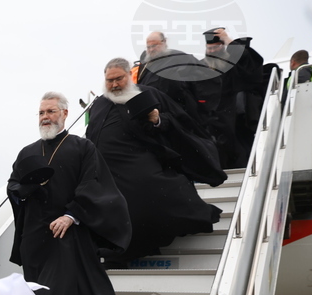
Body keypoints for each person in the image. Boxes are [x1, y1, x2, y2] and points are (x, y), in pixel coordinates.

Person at [2, 91, 131, 295]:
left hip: (67, 231)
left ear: (64, 114)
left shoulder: (82, 148)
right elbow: (12, 186)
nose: (45, 117)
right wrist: (24, 189)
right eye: (41, 113)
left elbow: (93, 186)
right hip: (35, 235)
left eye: (50, 112)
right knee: (38, 291)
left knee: (61, 292)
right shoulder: (27, 152)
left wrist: (71, 215)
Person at [86, 58, 224, 267]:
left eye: (119, 79)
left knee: (152, 200)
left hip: (138, 165)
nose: (114, 84)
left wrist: (157, 119)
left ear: (129, 76)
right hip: (106, 173)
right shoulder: (99, 104)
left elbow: (178, 121)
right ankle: (120, 253)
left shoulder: (146, 93)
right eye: (109, 80)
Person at [200, 28, 265, 168]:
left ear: (223, 47)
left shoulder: (233, 64)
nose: (212, 51)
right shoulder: (200, 67)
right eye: (209, 48)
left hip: (233, 121)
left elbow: (251, 66)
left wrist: (229, 41)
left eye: (216, 47)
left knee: (238, 155)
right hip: (209, 122)